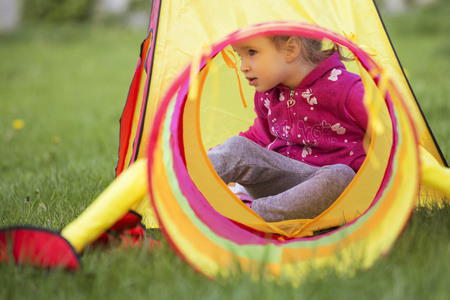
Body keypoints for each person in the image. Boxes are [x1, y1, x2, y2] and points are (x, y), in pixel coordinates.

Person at [207, 35, 368, 222]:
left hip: (333, 192)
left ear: (290, 49)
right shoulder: (268, 94)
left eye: (252, 52)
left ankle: (247, 216)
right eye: (240, 56)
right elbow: (257, 140)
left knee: (341, 176)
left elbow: (389, 136)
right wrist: (219, 157)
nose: (243, 66)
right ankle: (182, 190)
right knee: (237, 146)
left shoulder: (348, 90)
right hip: (281, 186)